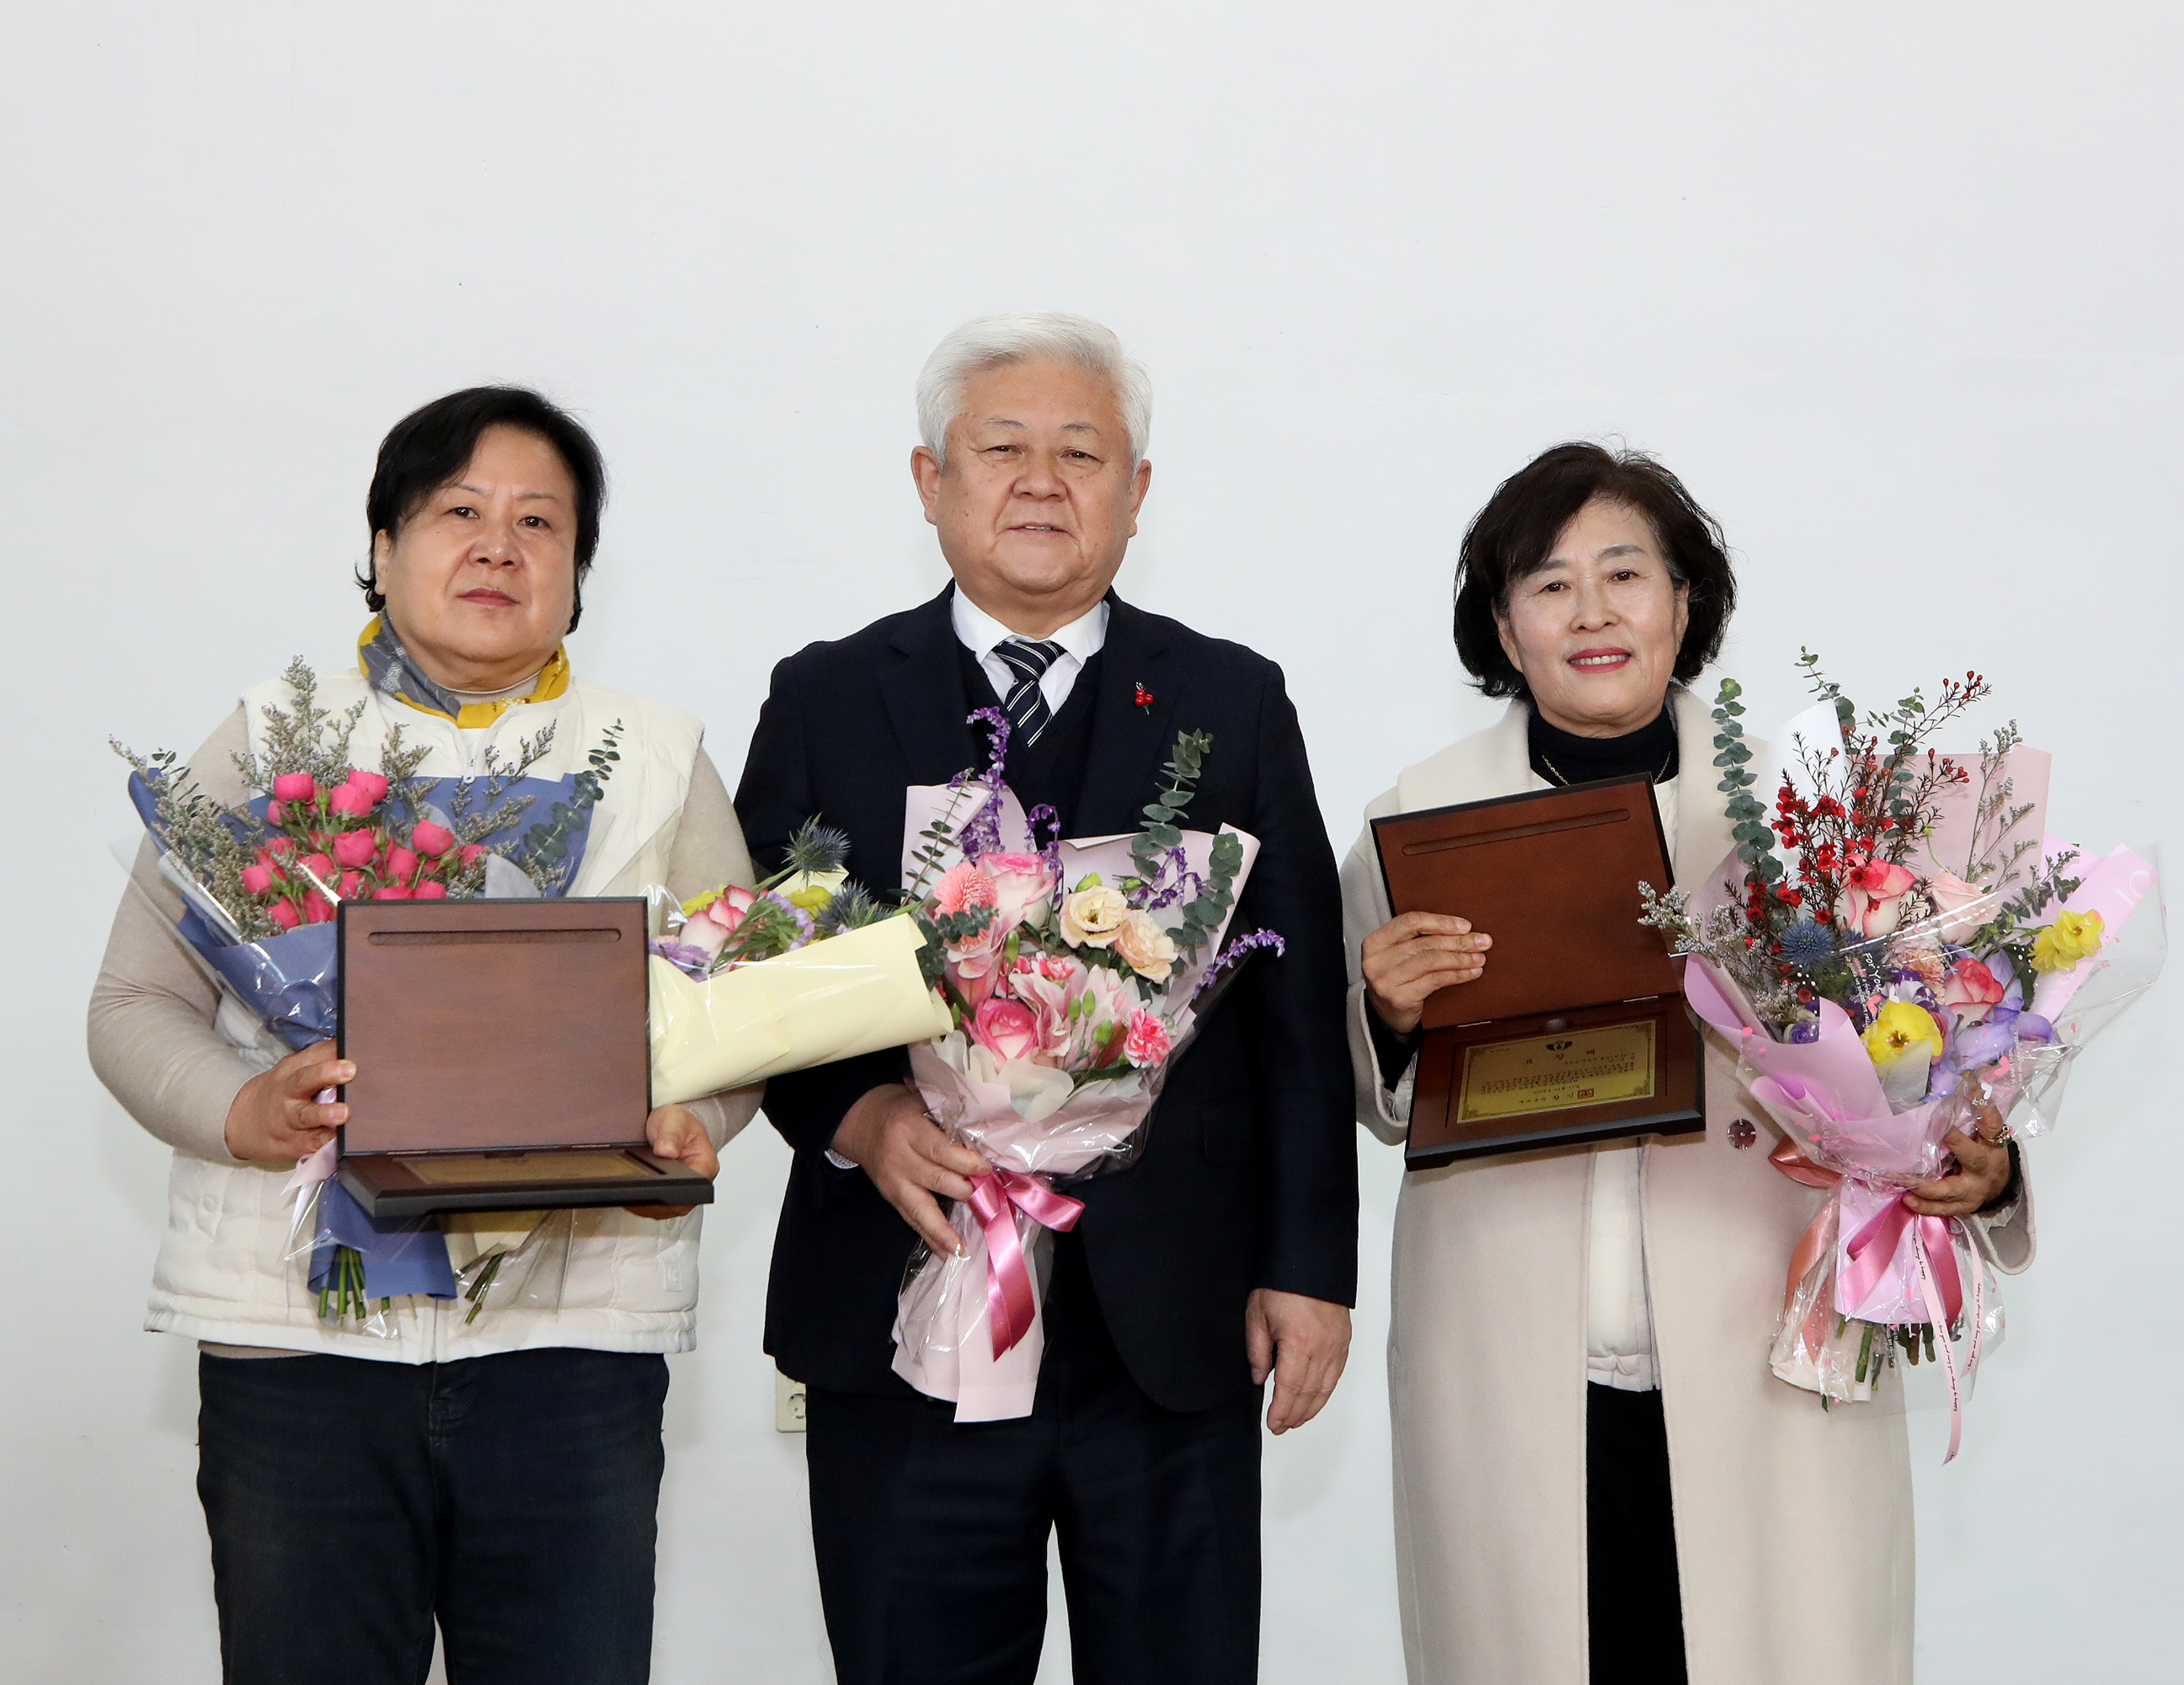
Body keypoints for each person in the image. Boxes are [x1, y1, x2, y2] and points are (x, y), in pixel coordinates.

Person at [88, 386, 759, 1685]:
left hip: (572, 1346)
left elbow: (737, 1021)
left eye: (539, 522)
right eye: (457, 511)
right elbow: (133, 1007)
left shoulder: (662, 758)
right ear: (384, 547)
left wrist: (694, 1125)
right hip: (299, 1345)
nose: (497, 547)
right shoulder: (270, 742)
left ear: (578, 573)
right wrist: (247, 1107)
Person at [1340, 442, 2034, 1684]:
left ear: (1687, 604)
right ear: (1503, 624)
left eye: (1626, 574)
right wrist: (1386, 1015)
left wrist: (1980, 1164)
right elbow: (1366, 1097)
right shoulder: (1416, 826)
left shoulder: (1816, 816)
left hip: (1766, 1351)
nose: (1593, 612)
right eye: (1549, 585)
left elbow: (1947, 1048)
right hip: (1509, 1362)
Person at [734, 313, 1357, 1685]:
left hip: (1173, 1325)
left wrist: (1308, 1270)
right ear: (928, 480)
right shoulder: (830, 696)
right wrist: (861, 1117)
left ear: (1136, 494)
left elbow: (1294, 1012)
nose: (1039, 480)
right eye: (1000, 447)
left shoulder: (1229, 700)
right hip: (906, 1306)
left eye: (1081, 452)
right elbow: (751, 977)